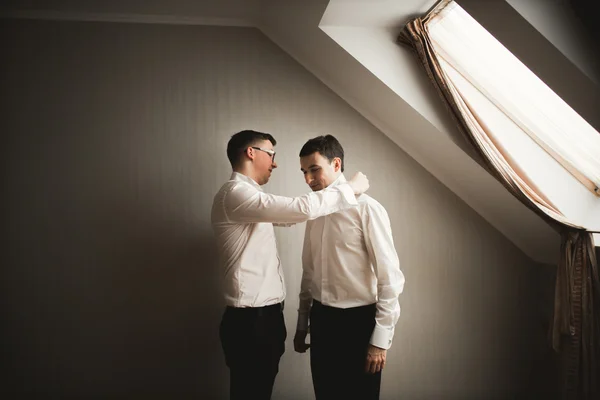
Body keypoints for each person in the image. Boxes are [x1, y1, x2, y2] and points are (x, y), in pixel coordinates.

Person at [211, 130, 370, 400]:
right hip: (250, 322)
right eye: (271, 155)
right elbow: (300, 209)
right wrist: (349, 189)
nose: (274, 163)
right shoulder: (236, 194)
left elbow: (290, 216)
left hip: (263, 319)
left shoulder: (250, 198)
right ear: (252, 153)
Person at [294, 135, 405, 400]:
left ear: (336, 164)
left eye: (314, 169)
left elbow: (390, 278)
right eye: (304, 172)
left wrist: (380, 340)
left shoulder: (368, 209)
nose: (308, 180)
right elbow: (309, 272)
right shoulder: (316, 211)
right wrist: (303, 322)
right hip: (321, 321)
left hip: (360, 323)